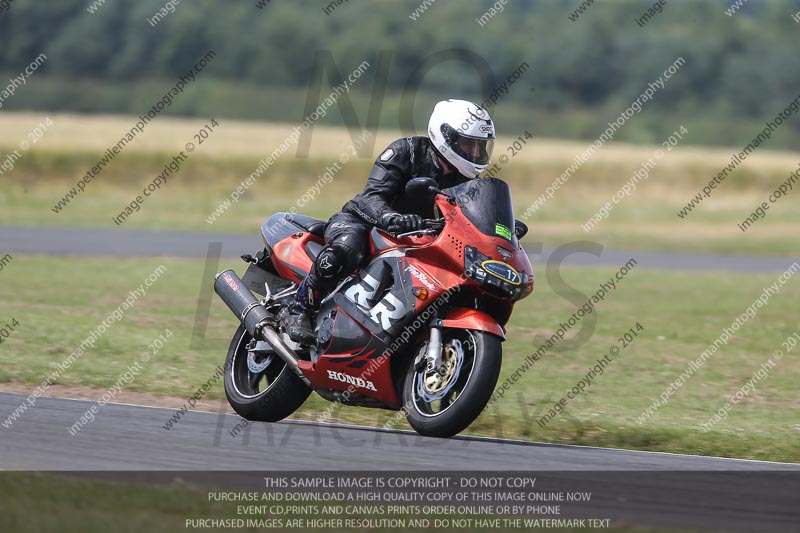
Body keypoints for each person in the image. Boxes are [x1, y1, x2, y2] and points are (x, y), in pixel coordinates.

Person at [281, 99, 496, 344]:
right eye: (469, 145)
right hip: (364, 223)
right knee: (347, 248)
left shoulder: (467, 181)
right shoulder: (407, 151)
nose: (475, 154)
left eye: (480, 147)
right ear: (446, 135)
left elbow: (470, 217)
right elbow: (372, 196)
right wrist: (390, 217)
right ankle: (299, 310)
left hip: (417, 241)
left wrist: (496, 230)